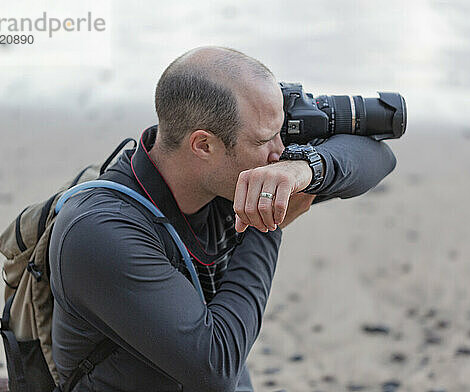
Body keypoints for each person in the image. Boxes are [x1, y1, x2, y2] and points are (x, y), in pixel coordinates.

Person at [48, 46, 397, 391]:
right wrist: (265, 221)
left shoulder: (228, 172)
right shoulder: (101, 230)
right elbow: (215, 368)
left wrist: (306, 168)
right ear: (204, 145)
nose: (281, 150)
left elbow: (377, 155)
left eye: (282, 132)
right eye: (265, 140)